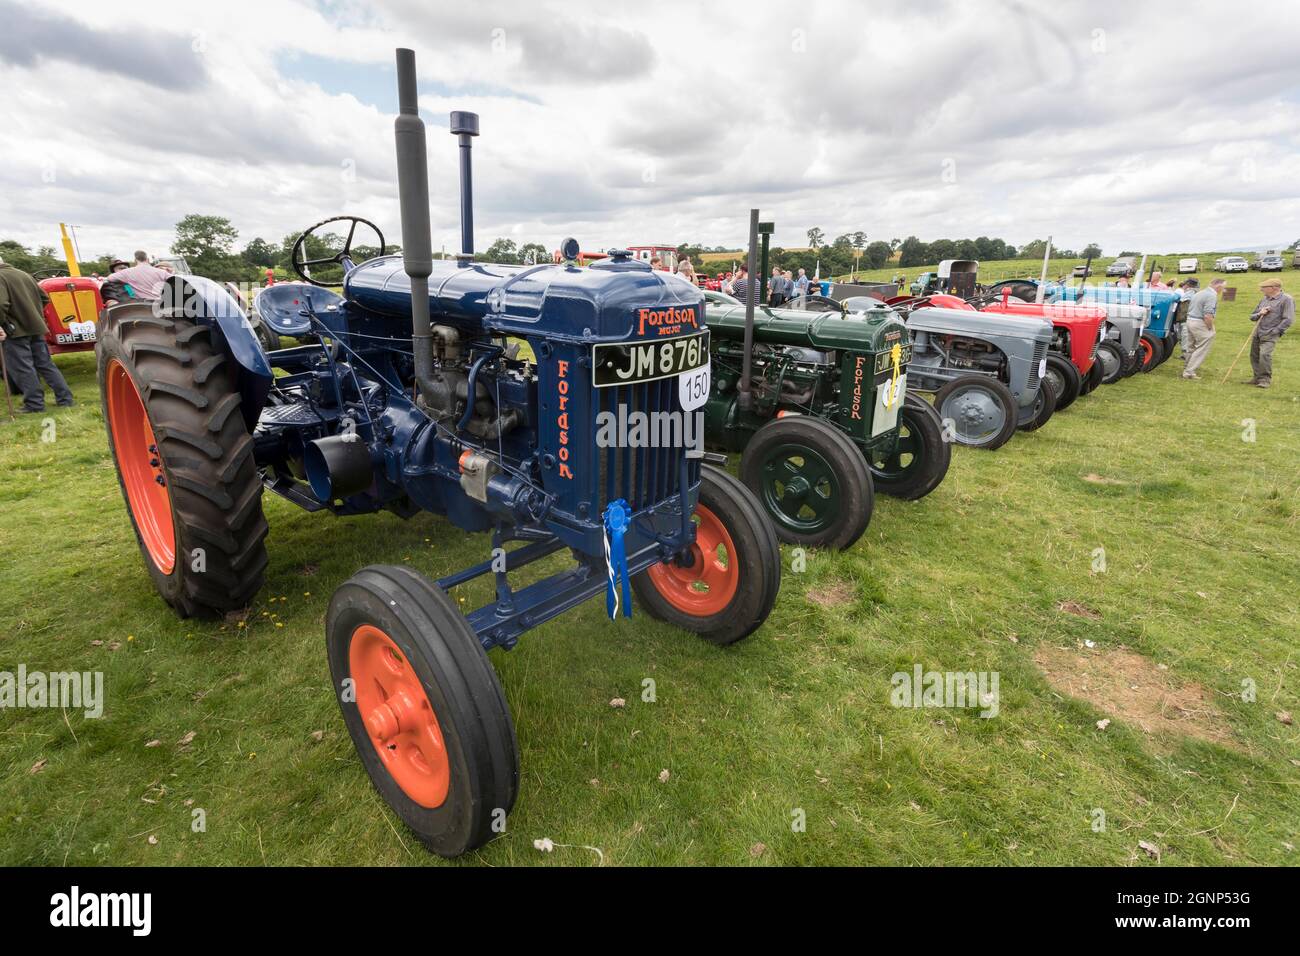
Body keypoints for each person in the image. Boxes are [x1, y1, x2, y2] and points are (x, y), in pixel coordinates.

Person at [0, 257, 75, 413]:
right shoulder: (24, 274)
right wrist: (34, 315)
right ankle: (65, 398)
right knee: (45, 364)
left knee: (22, 367)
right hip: (36, 327)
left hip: (15, 330)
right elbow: (44, 298)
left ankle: (34, 404)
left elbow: (1, 304)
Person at [1245, 278, 1293, 389]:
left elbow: (1288, 319)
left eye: (1264, 287)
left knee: (1264, 355)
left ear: (1274, 288)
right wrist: (1259, 313)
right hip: (1257, 332)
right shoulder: (1264, 299)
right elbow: (1252, 316)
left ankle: (1265, 380)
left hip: (1270, 333)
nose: (1261, 289)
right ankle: (1257, 378)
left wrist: (1275, 331)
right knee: (1254, 356)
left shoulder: (1286, 299)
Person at [1182, 278, 1224, 379]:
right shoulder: (1211, 295)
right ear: (1218, 286)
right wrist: (1210, 327)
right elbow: (1207, 315)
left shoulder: (1199, 293)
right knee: (1202, 347)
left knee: (1190, 346)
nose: (1223, 289)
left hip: (1190, 320)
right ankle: (1189, 371)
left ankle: (1187, 367)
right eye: (1223, 287)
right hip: (1199, 322)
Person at [100, 250, 170, 304]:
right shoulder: (110, 286)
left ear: (135, 260)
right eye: (120, 268)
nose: (123, 269)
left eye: (125, 267)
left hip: (144, 305)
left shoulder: (127, 277)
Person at [1176, 278, 1199, 363]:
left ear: (1188, 285)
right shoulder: (1187, 294)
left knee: (1186, 337)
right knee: (1182, 336)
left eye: (1185, 284)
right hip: (1182, 318)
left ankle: (1187, 355)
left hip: (1187, 319)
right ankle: (1184, 354)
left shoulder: (1192, 294)